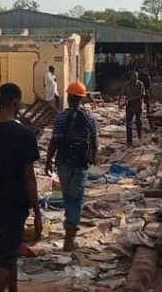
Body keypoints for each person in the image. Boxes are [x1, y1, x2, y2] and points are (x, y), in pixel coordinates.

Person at [0, 83, 42, 292]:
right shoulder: (25, 135)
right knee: (7, 258)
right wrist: (38, 212)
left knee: (9, 251)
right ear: (16, 103)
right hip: (16, 203)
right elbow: (29, 178)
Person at [44, 81, 98, 252]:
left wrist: (48, 161)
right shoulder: (90, 117)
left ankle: (69, 231)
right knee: (76, 198)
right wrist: (92, 158)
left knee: (67, 197)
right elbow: (95, 141)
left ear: (68, 97)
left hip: (64, 163)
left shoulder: (61, 117)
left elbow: (54, 141)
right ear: (82, 98)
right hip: (81, 165)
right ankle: (70, 236)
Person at [121, 71, 145, 146]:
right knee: (128, 124)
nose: (135, 78)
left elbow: (142, 95)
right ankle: (129, 140)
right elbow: (122, 93)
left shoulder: (140, 84)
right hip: (129, 106)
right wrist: (120, 102)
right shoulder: (126, 84)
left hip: (138, 106)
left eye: (136, 76)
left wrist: (131, 99)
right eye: (133, 76)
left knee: (138, 122)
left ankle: (139, 135)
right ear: (131, 76)